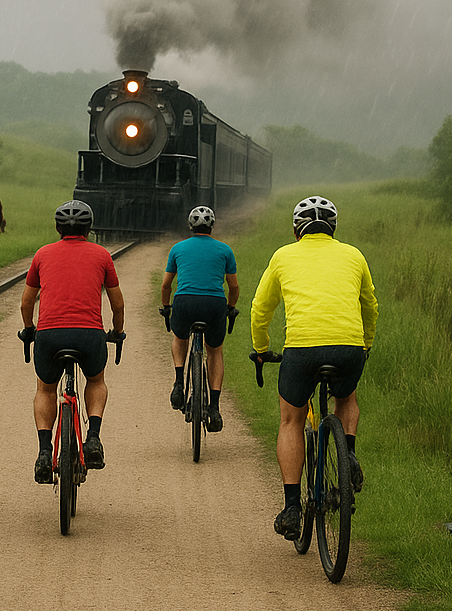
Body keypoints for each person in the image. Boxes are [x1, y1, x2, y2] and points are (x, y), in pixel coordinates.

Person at [249, 195, 378, 540]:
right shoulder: (354, 255)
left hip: (302, 351)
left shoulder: (282, 256)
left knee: (291, 420)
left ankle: (292, 508)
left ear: (296, 231)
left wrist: (261, 349)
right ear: (333, 229)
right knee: (346, 398)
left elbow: (261, 308)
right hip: (348, 348)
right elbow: (370, 305)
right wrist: (364, 345)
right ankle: (348, 454)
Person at [19, 200, 126, 482]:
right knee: (96, 380)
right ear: (89, 229)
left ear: (58, 228)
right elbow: (117, 304)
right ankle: (93, 438)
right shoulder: (102, 255)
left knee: (45, 389)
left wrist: (29, 329)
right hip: (89, 335)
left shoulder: (42, 255)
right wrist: (117, 332)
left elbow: (26, 303)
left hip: (49, 335)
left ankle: (44, 453)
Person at [160, 205, 239, 430]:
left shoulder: (178, 248)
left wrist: (166, 307)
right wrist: (230, 308)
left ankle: (178, 382)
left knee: (180, 337)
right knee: (214, 351)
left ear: (190, 226)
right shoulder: (225, 250)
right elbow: (233, 287)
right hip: (214, 304)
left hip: (185, 302)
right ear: (212, 226)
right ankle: (214, 407)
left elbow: (166, 285)